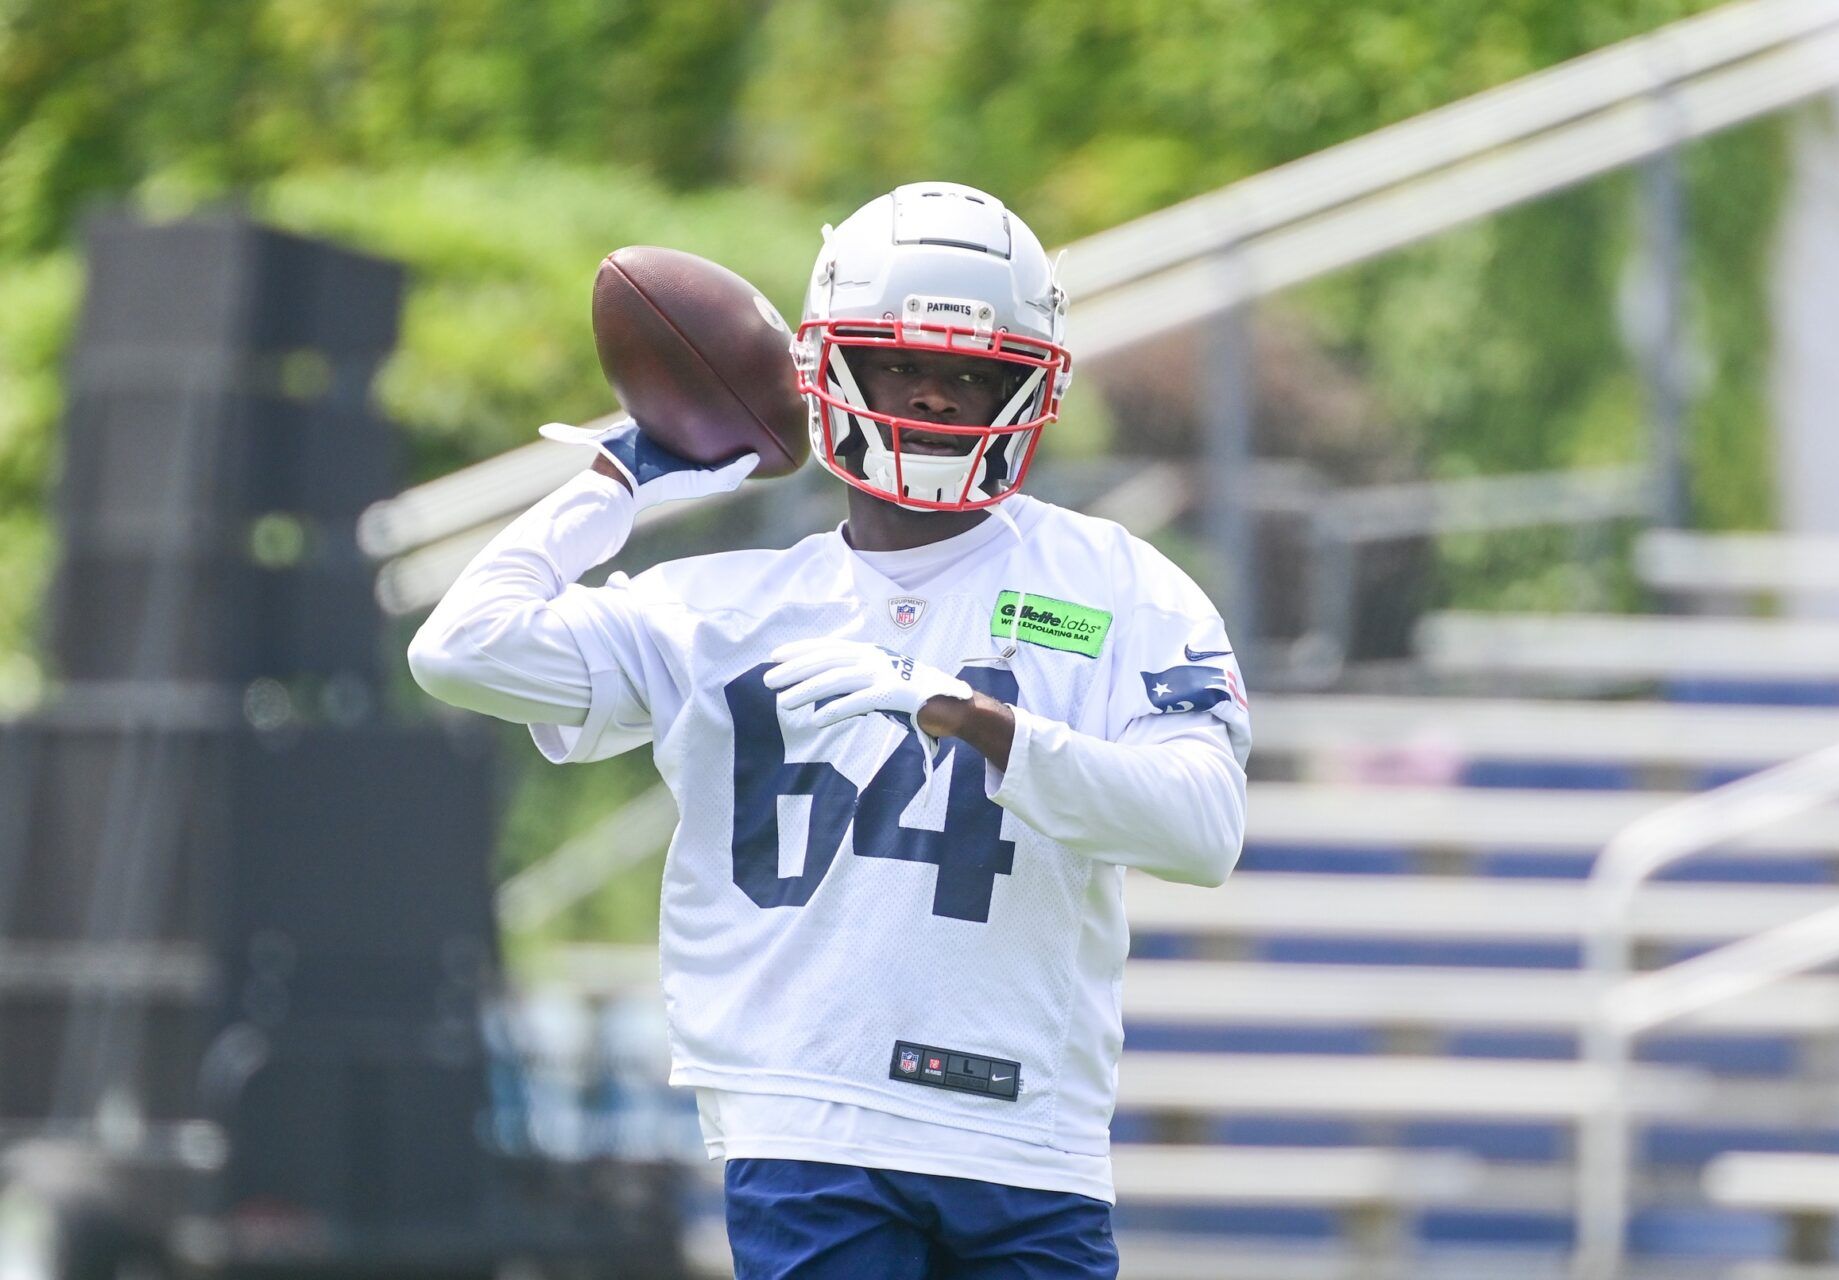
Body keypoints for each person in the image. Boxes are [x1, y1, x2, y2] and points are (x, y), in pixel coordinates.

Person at [409, 181, 1250, 1279]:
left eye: (970, 373)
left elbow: (1203, 829)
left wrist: (980, 723)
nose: (936, 399)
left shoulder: (1114, 584)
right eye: (902, 364)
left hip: (1027, 1125)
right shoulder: (723, 606)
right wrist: (615, 482)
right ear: (827, 370)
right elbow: (460, 647)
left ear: (1028, 387)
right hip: (811, 1120)